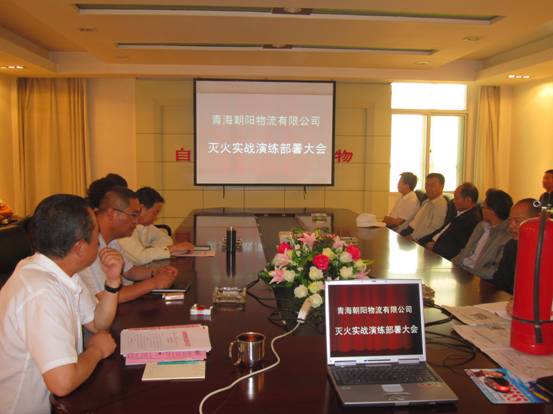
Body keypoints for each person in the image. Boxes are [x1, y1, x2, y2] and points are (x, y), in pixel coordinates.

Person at [0, 194, 122, 413]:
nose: (99, 240)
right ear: (79, 248)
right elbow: (62, 383)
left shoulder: (58, 271)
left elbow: (97, 324)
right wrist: (95, 350)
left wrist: (112, 282)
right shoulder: (42, 293)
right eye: (96, 234)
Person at [80, 186, 178, 303]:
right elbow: (107, 297)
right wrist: (155, 283)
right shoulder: (88, 244)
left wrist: (156, 272)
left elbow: (130, 271)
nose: (137, 222)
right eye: (133, 215)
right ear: (112, 214)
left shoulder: (111, 240)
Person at [118, 187, 194, 265]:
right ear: (141, 208)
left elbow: (165, 239)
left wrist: (152, 252)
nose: (156, 218)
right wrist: (169, 249)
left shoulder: (144, 226)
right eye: (155, 212)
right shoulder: (122, 228)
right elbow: (140, 258)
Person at [452, 189, 513, 279]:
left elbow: (495, 270)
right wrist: (451, 264)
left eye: (483, 207)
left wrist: (471, 272)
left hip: (478, 278)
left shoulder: (507, 236)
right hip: (462, 270)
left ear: (492, 211)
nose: (481, 210)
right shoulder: (481, 226)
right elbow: (466, 251)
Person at [491, 198, 540, 294]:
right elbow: (501, 281)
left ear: (537, 221)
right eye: (510, 221)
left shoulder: (548, 250)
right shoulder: (511, 246)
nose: (511, 226)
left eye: (517, 221)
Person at [424, 183, 482, 260]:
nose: (453, 201)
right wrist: (422, 241)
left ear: (468, 200)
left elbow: (457, 247)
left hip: (441, 256)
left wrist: (435, 247)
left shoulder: (472, 220)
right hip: (433, 246)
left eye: (456, 198)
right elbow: (442, 230)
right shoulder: (458, 211)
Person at [401, 173, 448, 242]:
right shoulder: (426, 201)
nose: (428, 188)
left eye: (432, 185)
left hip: (417, 238)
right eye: (426, 185)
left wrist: (413, 237)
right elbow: (412, 220)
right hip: (408, 231)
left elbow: (434, 229)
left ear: (442, 187)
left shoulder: (441, 205)